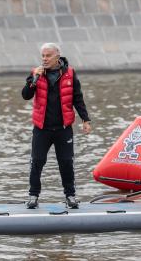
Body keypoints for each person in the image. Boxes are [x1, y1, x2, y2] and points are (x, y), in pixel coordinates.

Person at [22, 43, 91, 209]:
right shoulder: (36, 73)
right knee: (37, 161)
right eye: (43, 56)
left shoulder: (70, 73)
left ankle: (70, 196)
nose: (44, 59)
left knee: (66, 162)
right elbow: (25, 95)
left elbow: (77, 98)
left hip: (63, 128)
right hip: (42, 128)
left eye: (48, 56)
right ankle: (33, 196)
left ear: (57, 56)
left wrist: (85, 119)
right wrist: (33, 80)